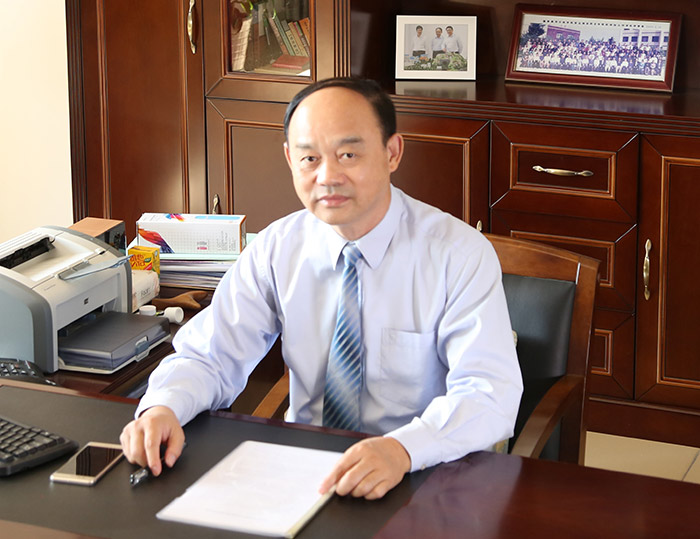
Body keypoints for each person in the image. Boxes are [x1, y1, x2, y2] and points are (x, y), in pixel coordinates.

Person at [120, 77, 522, 501]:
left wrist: (403, 449)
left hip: (420, 474)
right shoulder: (277, 248)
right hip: (305, 474)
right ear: (290, 159)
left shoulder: (458, 254)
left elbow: (488, 391)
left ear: (392, 152)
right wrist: (164, 406)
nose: (328, 177)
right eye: (310, 158)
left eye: (348, 154)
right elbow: (211, 355)